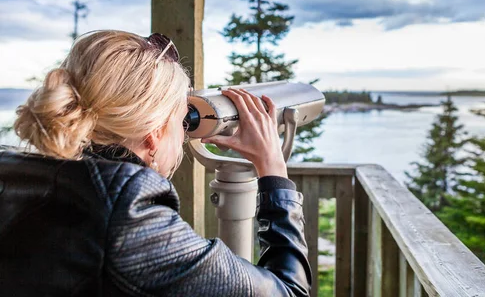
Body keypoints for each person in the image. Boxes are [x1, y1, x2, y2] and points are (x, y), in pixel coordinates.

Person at [0, 30, 311, 296]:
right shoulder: (127, 210)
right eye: (181, 122)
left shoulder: (14, 170)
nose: (184, 134)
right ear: (153, 135)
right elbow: (289, 291)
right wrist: (273, 169)